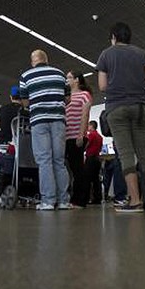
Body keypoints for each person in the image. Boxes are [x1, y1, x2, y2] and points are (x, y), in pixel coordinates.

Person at [96, 22, 145, 212]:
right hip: (141, 108)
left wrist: (119, 87)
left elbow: (102, 86)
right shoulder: (141, 53)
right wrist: (137, 87)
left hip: (117, 109)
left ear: (114, 37)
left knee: (126, 155)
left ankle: (135, 201)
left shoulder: (106, 54)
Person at [19, 49, 71, 211]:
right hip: (58, 121)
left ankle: (48, 201)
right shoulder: (60, 74)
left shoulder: (26, 76)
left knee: (44, 161)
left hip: (39, 122)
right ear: (46, 60)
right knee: (59, 161)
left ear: (32, 61)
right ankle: (63, 201)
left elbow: (25, 102)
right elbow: (68, 98)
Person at [65, 71, 93, 208]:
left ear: (76, 80)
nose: (67, 80)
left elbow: (85, 115)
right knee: (69, 168)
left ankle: (79, 200)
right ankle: (69, 197)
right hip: (65, 137)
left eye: (69, 77)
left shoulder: (84, 95)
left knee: (77, 169)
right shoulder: (67, 97)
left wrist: (81, 135)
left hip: (77, 136)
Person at [85, 120, 103, 204]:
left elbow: (86, 145)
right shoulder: (100, 136)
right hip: (97, 158)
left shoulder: (91, 135)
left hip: (91, 158)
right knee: (96, 179)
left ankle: (87, 198)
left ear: (91, 126)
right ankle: (98, 198)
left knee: (87, 179)